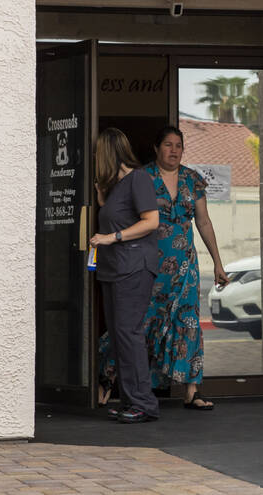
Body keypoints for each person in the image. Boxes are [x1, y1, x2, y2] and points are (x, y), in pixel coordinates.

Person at [97, 125, 230, 411]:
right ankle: (107, 379)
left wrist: (218, 263)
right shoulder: (141, 177)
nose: (174, 150)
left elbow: (203, 222)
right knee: (136, 324)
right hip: (148, 264)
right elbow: (119, 212)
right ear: (156, 148)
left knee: (188, 322)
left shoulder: (192, 180)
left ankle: (191, 390)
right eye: (168, 145)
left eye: (179, 145)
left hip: (185, 267)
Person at [88, 127, 163, 424]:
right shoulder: (117, 185)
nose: (95, 157)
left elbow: (151, 221)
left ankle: (144, 404)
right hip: (113, 268)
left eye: (98, 152)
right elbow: (117, 213)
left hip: (133, 267)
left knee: (129, 334)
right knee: (120, 336)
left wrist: (111, 237)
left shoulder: (139, 178)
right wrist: (102, 197)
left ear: (109, 152)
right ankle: (131, 400)